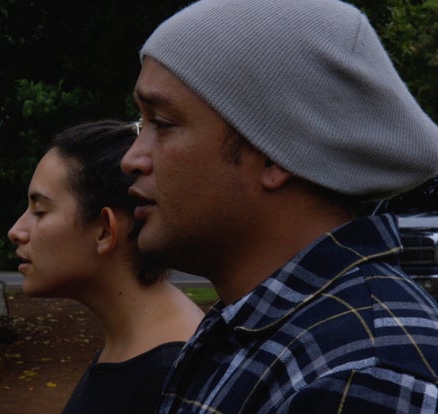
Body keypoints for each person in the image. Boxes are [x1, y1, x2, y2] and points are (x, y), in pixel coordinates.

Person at [120, 0, 438, 412]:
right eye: (140, 125)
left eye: (162, 123)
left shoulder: (360, 375)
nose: (132, 159)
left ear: (275, 154)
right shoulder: (261, 328)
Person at [8, 120, 205, 413]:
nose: (16, 231)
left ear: (104, 230)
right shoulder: (131, 349)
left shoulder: (168, 379)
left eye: (40, 211)